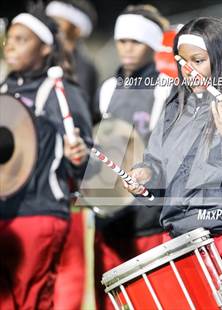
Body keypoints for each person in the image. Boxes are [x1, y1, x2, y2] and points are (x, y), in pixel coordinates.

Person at [125, 17, 222, 307]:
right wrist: (146, 176)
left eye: (198, 60)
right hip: (184, 237)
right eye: (182, 61)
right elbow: (158, 163)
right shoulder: (178, 103)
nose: (188, 70)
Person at [0, 4, 92, 309]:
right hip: (6, 212)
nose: (10, 45)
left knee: (31, 301)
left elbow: (88, 157)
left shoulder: (59, 89)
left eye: (21, 39)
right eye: (9, 38)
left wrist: (77, 155)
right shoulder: (5, 86)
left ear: (44, 48)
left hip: (38, 211)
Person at [92, 5, 171, 309]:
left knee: (149, 298)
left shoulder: (165, 89)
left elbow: (164, 153)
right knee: (107, 299)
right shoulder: (108, 88)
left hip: (147, 218)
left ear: (151, 45)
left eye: (135, 41)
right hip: (109, 216)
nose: (126, 48)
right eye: (121, 40)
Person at [45, 2, 98, 308]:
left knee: (71, 268)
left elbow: (83, 123)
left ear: (75, 30)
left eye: (59, 24)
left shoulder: (81, 67)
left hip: (68, 181)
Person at [46, 0, 99, 120]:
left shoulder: (84, 67)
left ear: (77, 30)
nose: (52, 24)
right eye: (51, 19)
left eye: (59, 21)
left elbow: (79, 108)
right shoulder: (44, 57)